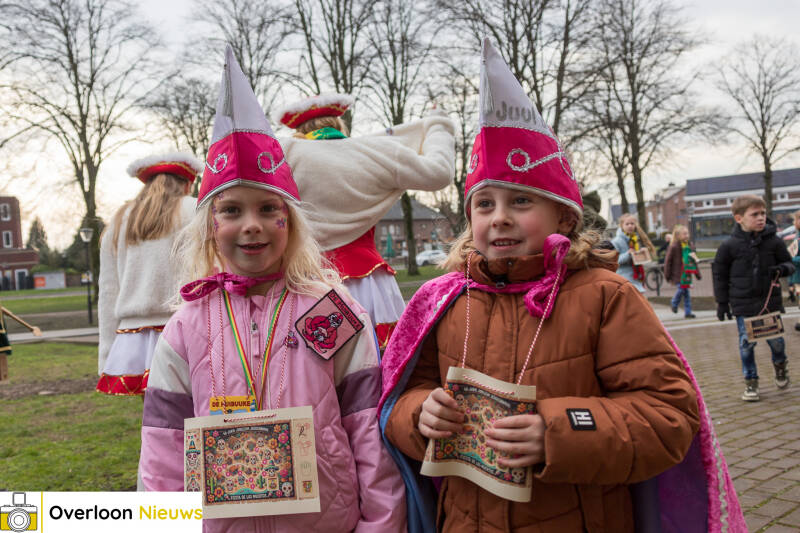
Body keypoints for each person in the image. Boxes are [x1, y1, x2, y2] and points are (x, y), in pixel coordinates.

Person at [379, 39, 744, 533]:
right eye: (484, 204)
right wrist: (419, 415)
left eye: (521, 201)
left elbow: (668, 417)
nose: (499, 217)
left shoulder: (605, 297)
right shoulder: (443, 301)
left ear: (564, 216)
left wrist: (557, 433)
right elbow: (399, 398)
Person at [140, 46, 406, 532]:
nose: (251, 225)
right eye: (231, 210)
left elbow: (367, 424)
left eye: (268, 208)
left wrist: (381, 524)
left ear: (291, 221)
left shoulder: (331, 308)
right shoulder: (186, 325)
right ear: (209, 226)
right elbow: (162, 447)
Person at [276, 93, 455, 350]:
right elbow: (439, 172)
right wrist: (438, 125)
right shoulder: (373, 152)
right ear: (340, 124)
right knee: (381, 361)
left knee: (314, 363)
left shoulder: (285, 154)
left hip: (306, 281)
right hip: (369, 284)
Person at [97, 152, 201, 395]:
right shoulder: (196, 210)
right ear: (187, 184)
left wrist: (106, 353)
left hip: (134, 338)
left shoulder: (120, 220)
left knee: (153, 412)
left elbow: (108, 291)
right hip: (186, 328)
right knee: (195, 407)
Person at [712, 194, 793, 402]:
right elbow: (720, 275)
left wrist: (781, 269)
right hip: (743, 304)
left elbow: (790, 264)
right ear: (739, 218)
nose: (761, 218)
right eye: (754, 214)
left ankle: (780, 365)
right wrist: (722, 303)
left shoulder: (774, 242)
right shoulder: (729, 246)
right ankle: (751, 382)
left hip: (769, 302)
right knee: (746, 344)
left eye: (763, 213)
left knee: (776, 342)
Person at [611, 213, 656, 292]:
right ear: (621, 225)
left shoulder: (635, 239)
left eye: (632, 223)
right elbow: (614, 260)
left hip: (636, 276)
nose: (630, 226)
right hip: (623, 278)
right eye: (627, 224)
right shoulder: (616, 241)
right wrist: (628, 254)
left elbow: (637, 260)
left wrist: (641, 253)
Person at [664, 225, 700, 319]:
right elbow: (668, 261)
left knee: (686, 293)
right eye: (684, 234)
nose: (687, 235)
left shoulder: (690, 246)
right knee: (682, 289)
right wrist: (667, 274)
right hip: (678, 274)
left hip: (687, 274)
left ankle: (688, 312)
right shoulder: (674, 246)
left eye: (687, 233)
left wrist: (697, 274)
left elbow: (693, 260)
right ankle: (674, 302)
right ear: (678, 235)